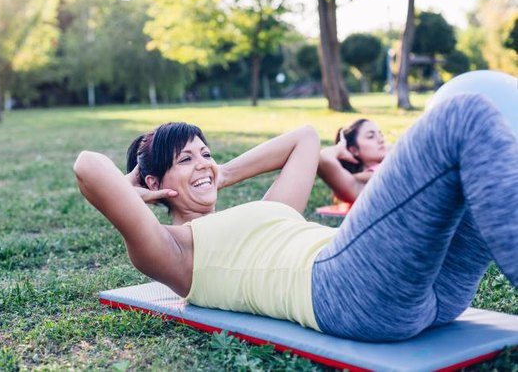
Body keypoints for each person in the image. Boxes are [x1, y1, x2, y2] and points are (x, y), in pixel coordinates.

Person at [74, 94, 518, 342]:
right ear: (154, 183)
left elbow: (304, 139)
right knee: (463, 114)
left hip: (432, 299)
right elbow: (88, 165)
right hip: (345, 290)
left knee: (481, 157)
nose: (204, 163)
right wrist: (134, 186)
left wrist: (219, 172)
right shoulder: (170, 249)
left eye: (205, 152)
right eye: (185, 159)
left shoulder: (272, 210)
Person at [318, 119, 388, 204]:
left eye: (380, 134)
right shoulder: (363, 179)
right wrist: (340, 149)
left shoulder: (390, 162)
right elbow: (324, 158)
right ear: (354, 150)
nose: (381, 140)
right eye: (370, 136)